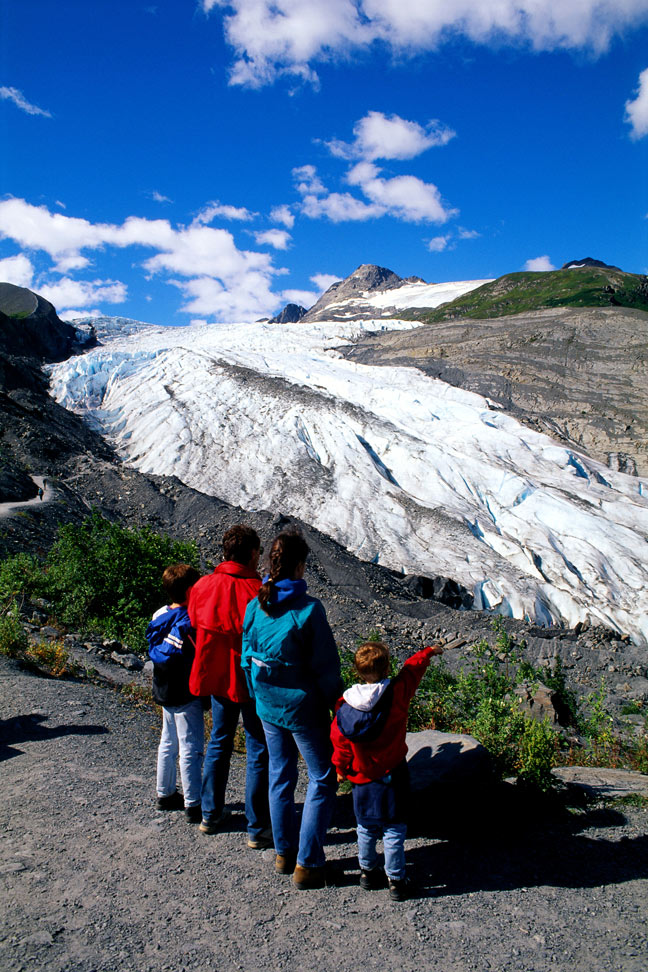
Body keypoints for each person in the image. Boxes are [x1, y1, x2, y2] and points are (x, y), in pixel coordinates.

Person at [242, 530, 342, 890]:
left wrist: (256, 693)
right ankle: (309, 862)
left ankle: (284, 853)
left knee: (280, 775)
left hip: (267, 704)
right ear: (300, 566)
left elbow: (246, 653)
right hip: (303, 709)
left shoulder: (258, 604)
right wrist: (338, 705)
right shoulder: (308, 610)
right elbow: (326, 667)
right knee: (322, 777)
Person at [330, 640, 444, 901]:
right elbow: (411, 672)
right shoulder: (397, 693)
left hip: (362, 776)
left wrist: (340, 767)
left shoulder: (346, 707)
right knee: (394, 828)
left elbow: (340, 741)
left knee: (366, 826)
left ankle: (368, 872)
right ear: (386, 669)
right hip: (393, 773)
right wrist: (427, 652)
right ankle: (396, 879)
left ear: (358, 671)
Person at [188, 524, 271, 848]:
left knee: (219, 741)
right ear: (252, 554)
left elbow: (194, 625)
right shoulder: (261, 592)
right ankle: (257, 826)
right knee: (258, 748)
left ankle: (210, 813)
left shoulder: (203, 586)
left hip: (218, 679)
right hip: (253, 682)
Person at [146, 563, 203, 823]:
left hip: (163, 685)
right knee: (190, 745)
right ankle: (194, 803)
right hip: (185, 689)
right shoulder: (192, 619)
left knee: (168, 741)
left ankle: (165, 793)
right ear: (192, 590)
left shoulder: (160, 615)